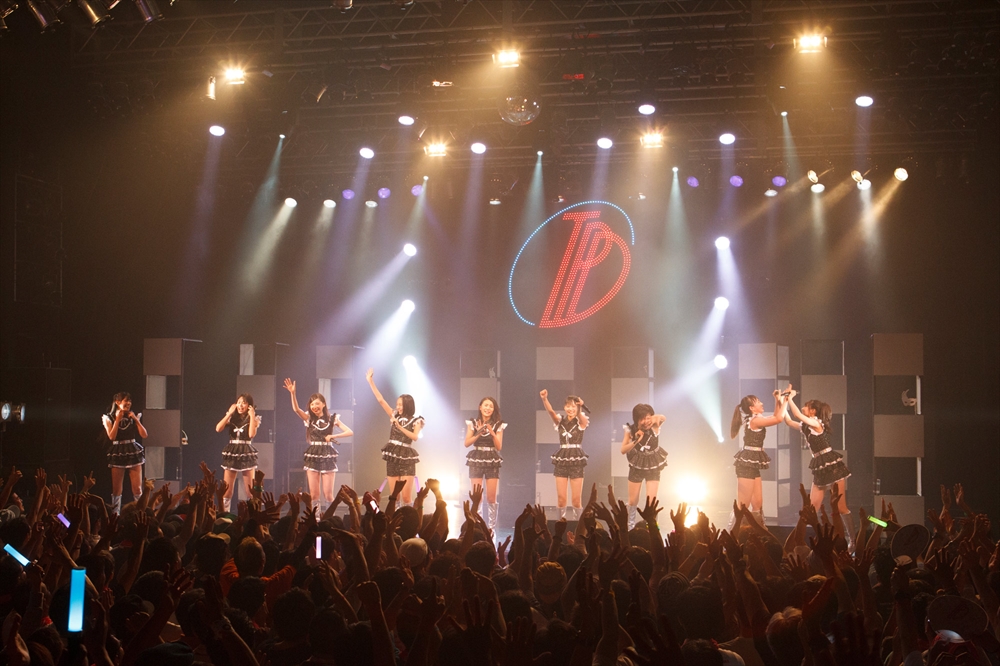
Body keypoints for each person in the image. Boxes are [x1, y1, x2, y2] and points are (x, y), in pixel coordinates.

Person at [784, 392, 853, 536]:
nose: (803, 408)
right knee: (812, 507)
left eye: (806, 406)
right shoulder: (805, 426)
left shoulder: (816, 423)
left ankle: (852, 540)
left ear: (813, 411)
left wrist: (790, 398)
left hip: (831, 465)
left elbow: (796, 414)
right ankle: (802, 538)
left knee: (841, 507)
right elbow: (789, 421)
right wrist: (782, 402)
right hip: (820, 466)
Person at [283, 379, 353, 514]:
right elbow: (296, 409)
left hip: (327, 454)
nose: (314, 406)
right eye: (312, 404)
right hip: (313, 454)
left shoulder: (332, 418)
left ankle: (329, 519)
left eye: (317, 403)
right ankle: (315, 519)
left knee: (328, 494)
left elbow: (349, 431)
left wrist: (333, 436)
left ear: (323, 404)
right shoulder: (309, 418)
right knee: (314, 495)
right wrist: (293, 393)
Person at [729, 390, 790, 528]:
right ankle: (733, 535)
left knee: (757, 505)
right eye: (758, 402)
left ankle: (757, 534)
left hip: (752, 464)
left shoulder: (757, 418)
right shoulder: (755, 420)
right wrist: (785, 400)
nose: (762, 403)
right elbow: (778, 419)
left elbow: (775, 416)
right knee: (742, 507)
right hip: (746, 465)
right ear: (751, 408)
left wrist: (777, 399)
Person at [366, 368, 422, 505]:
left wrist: (400, 427)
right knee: (394, 496)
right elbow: (381, 400)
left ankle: (408, 517)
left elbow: (415, 437)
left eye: (400, 405)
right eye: (397, 404)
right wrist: (370, 381)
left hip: (407, 457)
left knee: (406, 498)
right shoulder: (394, 415)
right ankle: (395, 516)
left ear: (408, 405)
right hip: (393, 455)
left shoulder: (417, 420)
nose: (398, 407)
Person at [540, 389, 589, 520]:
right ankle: (560, 526)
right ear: (564, 407)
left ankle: (578, 527)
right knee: (561, 499)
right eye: (568, 406)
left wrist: (580, 407)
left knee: (576, 500)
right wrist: (544, 399)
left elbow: (581, 418)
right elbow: (551, 412)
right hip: (561, 459)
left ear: (577, 407)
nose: (570, 409)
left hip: (576, 460)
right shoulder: (560, 421)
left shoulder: (581, 421)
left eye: (573, 406)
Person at [619, 403, 667, 529]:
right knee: (632, 500)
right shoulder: (630, 429)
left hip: (653, 464)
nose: (646, 421)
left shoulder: (655, 425)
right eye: (642, 418)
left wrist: (653, 418)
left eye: (648, 417)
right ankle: (630, 527)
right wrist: (636, 441)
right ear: (636, 419)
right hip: (637, 465)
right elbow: (623, 450)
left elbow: (663, 417)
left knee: (651, 501)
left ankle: (652, 528)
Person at [463, 396, 505, 532]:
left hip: (492, 458)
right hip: (476, 458)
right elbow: (467, 443)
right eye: (485, 405)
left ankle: (491, 529)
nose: (488, 408)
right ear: (480, 407)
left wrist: (492, 433)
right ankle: (478, 527)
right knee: (477, 496)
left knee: (491, 497)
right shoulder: (473, 423)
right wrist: (479, 432)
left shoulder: (498, 425)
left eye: (491, 406)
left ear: (494, 409)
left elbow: (499, 446)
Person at [102, 391, 148, 514]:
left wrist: (136, 420)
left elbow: (144, 434)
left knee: (137, 489)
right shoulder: (108, 417)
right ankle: (115, 515)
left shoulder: (134, 416)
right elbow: (112, 436)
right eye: (126, 400)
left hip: (132, 450)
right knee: (117, 490)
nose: (129, 403)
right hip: (118, 451)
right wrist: (117, 419)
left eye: (130, 401)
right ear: (117, 402)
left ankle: (140, 513)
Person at [215, 393, 260, 513]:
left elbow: (251, 434)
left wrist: (252, 416)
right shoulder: (232, 417)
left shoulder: (254, 418)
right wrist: (229, 413)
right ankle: (224, 515)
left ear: (249, 405)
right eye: (239, 402)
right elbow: (218, 428)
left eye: (243, 403)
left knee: (250, 491)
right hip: (232, 451)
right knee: (227, 490)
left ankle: (252, 516)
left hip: (246, 451)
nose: (240, 405)